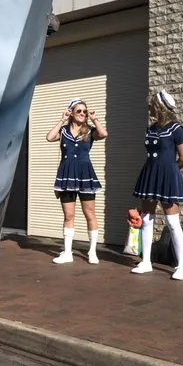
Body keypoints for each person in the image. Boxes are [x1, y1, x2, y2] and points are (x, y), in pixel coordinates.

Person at [131, 89, 183, 280]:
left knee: (172, 223)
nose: (150, 109)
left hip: (168, 177)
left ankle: (181, 266)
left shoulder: (176, 129)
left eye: (152, 106)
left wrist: (170, 172)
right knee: (147, 219)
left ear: (160, 107)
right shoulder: (151, 128)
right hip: (149, 175)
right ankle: (146, 261)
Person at [46, 98, 108, 265]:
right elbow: (49, 137)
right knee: (69, 215)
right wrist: (62, 119)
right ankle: (67, 253)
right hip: (66, 175)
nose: (82, 114)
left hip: (85, 174)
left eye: (84, 111)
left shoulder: (89, 131)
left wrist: (94, 119)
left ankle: (92, 252)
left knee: (89, 213)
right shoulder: (64, 131)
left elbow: (103, 134)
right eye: (79, 111)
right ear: (72, 113)